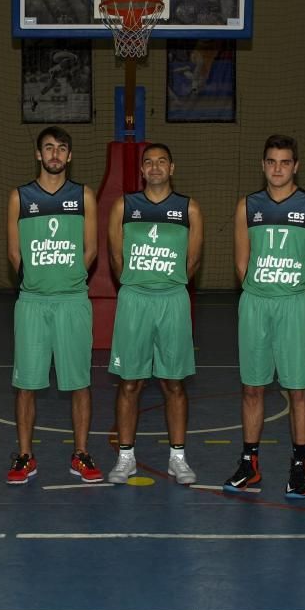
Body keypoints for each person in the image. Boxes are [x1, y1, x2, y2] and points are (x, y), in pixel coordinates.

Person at [223, 135, 305, 496]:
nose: (278, 169)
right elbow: (241, 262)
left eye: (285, 162)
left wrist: (304, 299)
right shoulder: (248, 206)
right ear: (263, 164)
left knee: (298, 390)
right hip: (256, 303)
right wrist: (260, 291)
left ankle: (299, 466)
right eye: (271, 161)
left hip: (295, 305)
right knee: (252, 388)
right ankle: (249, 463)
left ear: (296, 166)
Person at [6, 127, 101, 484]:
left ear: (70, 156)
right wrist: (37, 280)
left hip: (72, 301)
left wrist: (69, 277)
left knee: (79, 382)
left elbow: (91, 250)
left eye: (61, 149)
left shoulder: (83, 196)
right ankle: (25, 456)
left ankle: (80, 453)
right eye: (49, 148)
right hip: (31, 303)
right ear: (38, 154)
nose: (55, 154)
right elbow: (14, 253)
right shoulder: (19, 197)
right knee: (26, 384)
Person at [106, 143, 204, 485]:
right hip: (134, 300)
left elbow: (192, 262)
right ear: (142, 170)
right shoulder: (125, 206)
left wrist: (167, 286)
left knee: (173, 383)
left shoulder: (188, 208)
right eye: (149, 162)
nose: (156, 167)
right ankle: (125, 457)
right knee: (129, 382)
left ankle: (177, 457)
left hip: (173, 301)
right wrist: (138, 285)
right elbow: (116, 259)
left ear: (172, 167)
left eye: (162, 161)